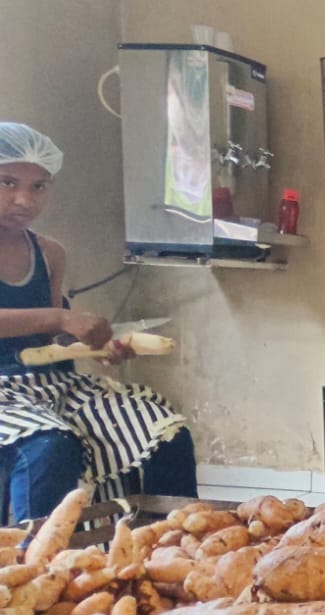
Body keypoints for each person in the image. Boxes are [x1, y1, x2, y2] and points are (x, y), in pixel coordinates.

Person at [0, 123, 197, 521]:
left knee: (165, 434)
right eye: (8, 183)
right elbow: (54, 319)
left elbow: (50, 338)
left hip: (53, 387)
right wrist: (62, 316)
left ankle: (169, 545)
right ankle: (38, 557)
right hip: (5, 394)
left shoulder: (49, 253)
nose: (24, 199)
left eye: (39, 186)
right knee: (50, 447)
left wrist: (94, 346)